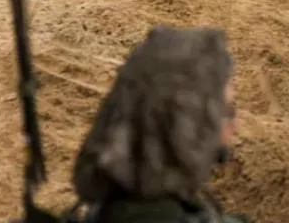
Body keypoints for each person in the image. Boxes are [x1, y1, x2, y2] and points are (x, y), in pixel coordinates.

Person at [72, 26, 243, 223]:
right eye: (227, 113)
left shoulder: (110, 205)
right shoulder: (159, 216)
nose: (234, 126)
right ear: (183, 123)